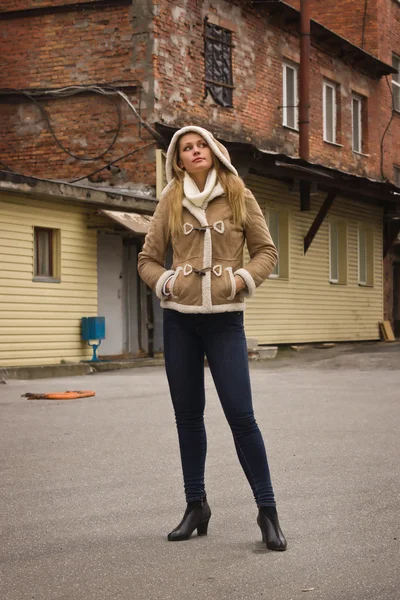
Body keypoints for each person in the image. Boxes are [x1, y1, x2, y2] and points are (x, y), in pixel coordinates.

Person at [138, 126, 287, 551]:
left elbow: (267, 252)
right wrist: (166, 282)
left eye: (200, 144)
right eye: (186, 147)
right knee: (188, 419)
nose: (194, 150)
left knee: (242, 417)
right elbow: (147, 259)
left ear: (213, 151)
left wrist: (241, 279)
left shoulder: (239, 193)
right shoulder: (169, 200)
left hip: (225, 321)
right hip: (180, 321)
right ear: (178, 160)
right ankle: (195, 506)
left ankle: (268, 511)